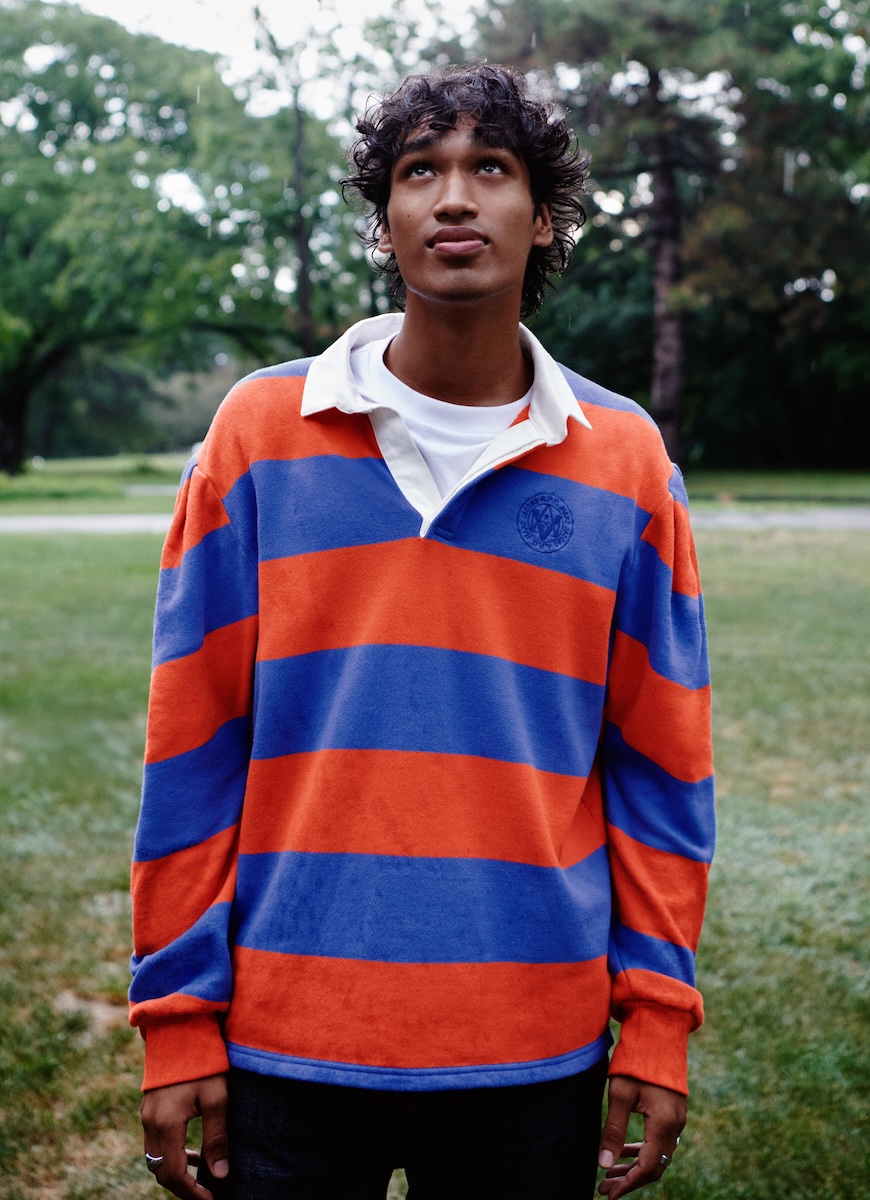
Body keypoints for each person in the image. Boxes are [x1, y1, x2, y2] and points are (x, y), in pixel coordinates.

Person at [130, 63, 715, 1200]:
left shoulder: (627, 460)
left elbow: (662, 765)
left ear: (541, 217)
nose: (453, 197)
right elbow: (193, 740)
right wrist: (178, 1017)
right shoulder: (259, 433)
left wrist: (655, 1017)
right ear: (385, 215)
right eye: (419, 171)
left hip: (532, 1045)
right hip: (285, 1038)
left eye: (490, 168)